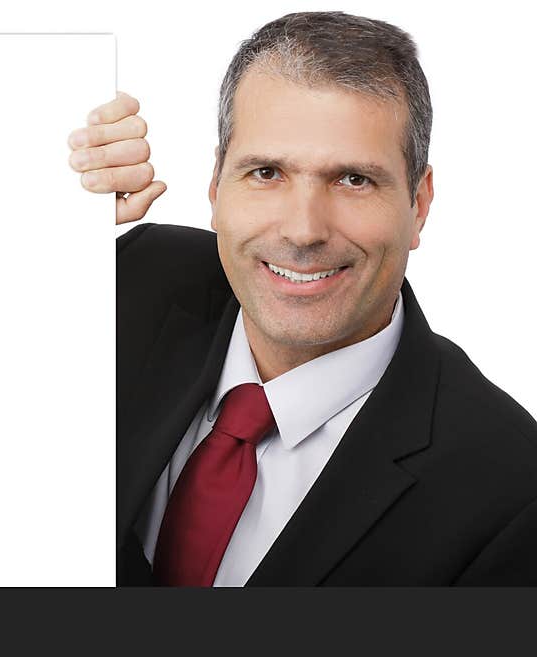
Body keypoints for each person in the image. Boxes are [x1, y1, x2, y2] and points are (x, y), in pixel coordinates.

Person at [68, 11, 537, 586]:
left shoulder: (513, 494)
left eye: (353, 180)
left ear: (419, 204)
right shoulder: (123, 277)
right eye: (266, 172)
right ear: (216, 185)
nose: (303, 230)